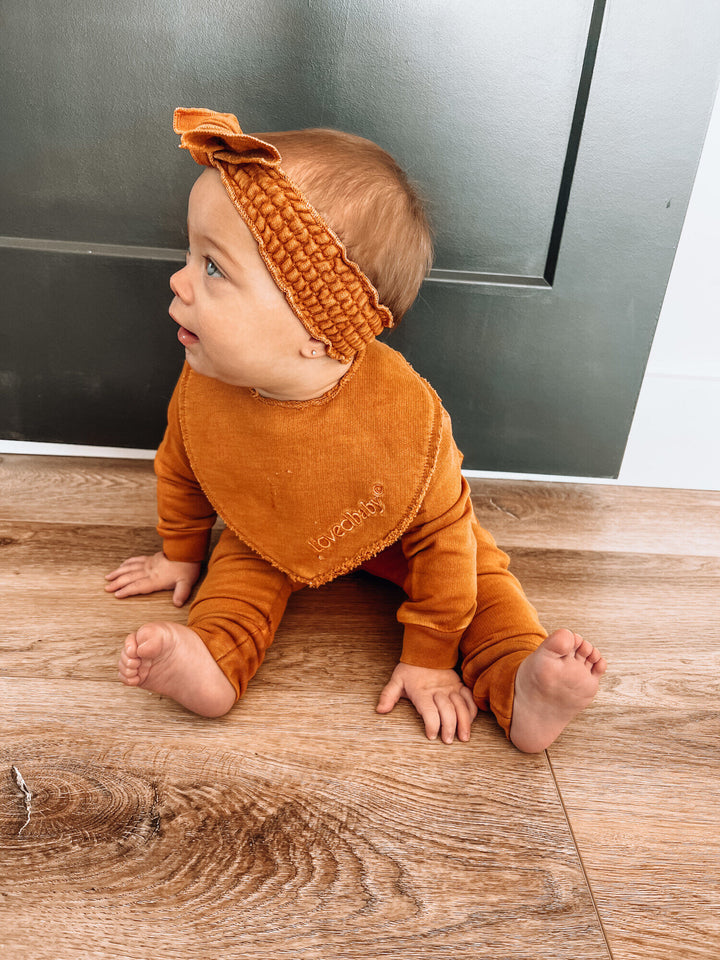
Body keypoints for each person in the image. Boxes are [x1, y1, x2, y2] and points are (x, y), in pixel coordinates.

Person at [106, 108, 606, 752]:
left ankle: (520, 682)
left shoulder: (405, 422)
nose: (177, 279)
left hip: (407, 532)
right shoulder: (203, 382)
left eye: (214, 268)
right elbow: (182, 466)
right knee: (242, 564)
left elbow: (443, 539)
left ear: (318, 334)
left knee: (482, 578)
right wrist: (180, 552)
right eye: (191, 253)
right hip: (273, 523)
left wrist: (430, 655)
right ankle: (211, 659)